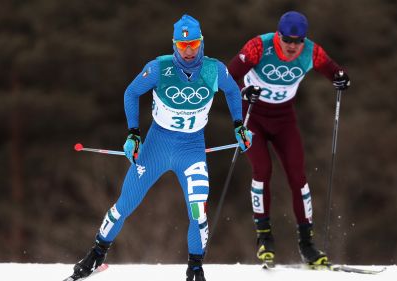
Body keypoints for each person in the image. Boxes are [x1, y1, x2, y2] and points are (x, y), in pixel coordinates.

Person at [66, 14, 257, 281]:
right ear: (174, 45)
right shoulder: (159, 68)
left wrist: (239, 126)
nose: (189, 52)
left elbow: (233, 91)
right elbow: (131, 92)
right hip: (156, 146)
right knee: (125, 205)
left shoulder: (214, 70)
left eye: (193, 45)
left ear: (202, 42)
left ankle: (195, 267)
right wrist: (133, 134)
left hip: (191, 149)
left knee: (197, 208)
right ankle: (97, 252)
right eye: (182, 46)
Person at [227, 11, 350, 267]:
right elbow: (227, 76)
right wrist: (244, 90)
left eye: (298, 41)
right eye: (288, 40)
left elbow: (332, 70)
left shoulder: (311, 51)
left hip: (284, 119)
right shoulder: (259, 46)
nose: (293, 46)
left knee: (298, 176)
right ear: (278, 35)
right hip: (252, 116)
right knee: (262, 170)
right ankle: (264, 239)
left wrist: (340, 77)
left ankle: (307, 245)